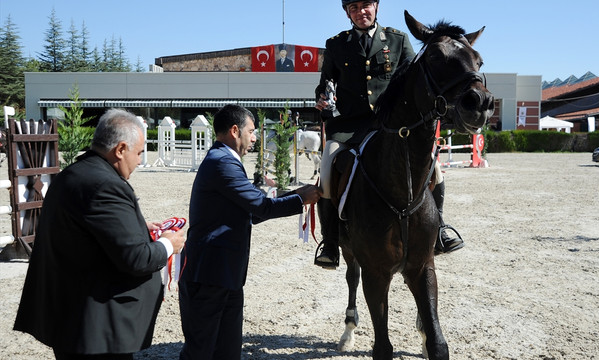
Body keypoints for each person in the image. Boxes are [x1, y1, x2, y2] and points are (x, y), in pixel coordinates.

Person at [13, 108, 186, 360]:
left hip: (71, 317)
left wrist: (136, 227)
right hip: (96, 328)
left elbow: (88, 231)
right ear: (120, 149)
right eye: (138, 153)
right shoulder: (106, 185)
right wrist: (168, 245)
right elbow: (136, 258)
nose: (139, 161)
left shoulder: (74, 173)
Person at [313, 0, 463, 268]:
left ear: (377, 6)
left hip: (391, 126)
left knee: (435, 170)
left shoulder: (397, 40)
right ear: (347, 13)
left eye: (366, 5)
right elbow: (325, 83)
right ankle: (331, 242)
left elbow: (414, 80)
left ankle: (439, 228)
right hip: (349, 128)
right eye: (354, 8)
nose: (361, 12)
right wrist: (323, 98)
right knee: (326, 173)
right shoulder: (336, 44)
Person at [178, 104, 321, 360]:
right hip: (210, 275)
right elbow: (261, 206)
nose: (255, 138)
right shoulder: (222, 162)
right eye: (252, 131)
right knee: (201, 352)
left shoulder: (224, 160)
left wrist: (296, 194)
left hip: (226, 275)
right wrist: (300, 200)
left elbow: (252, 211)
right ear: (235, 131)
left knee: (227, 351)